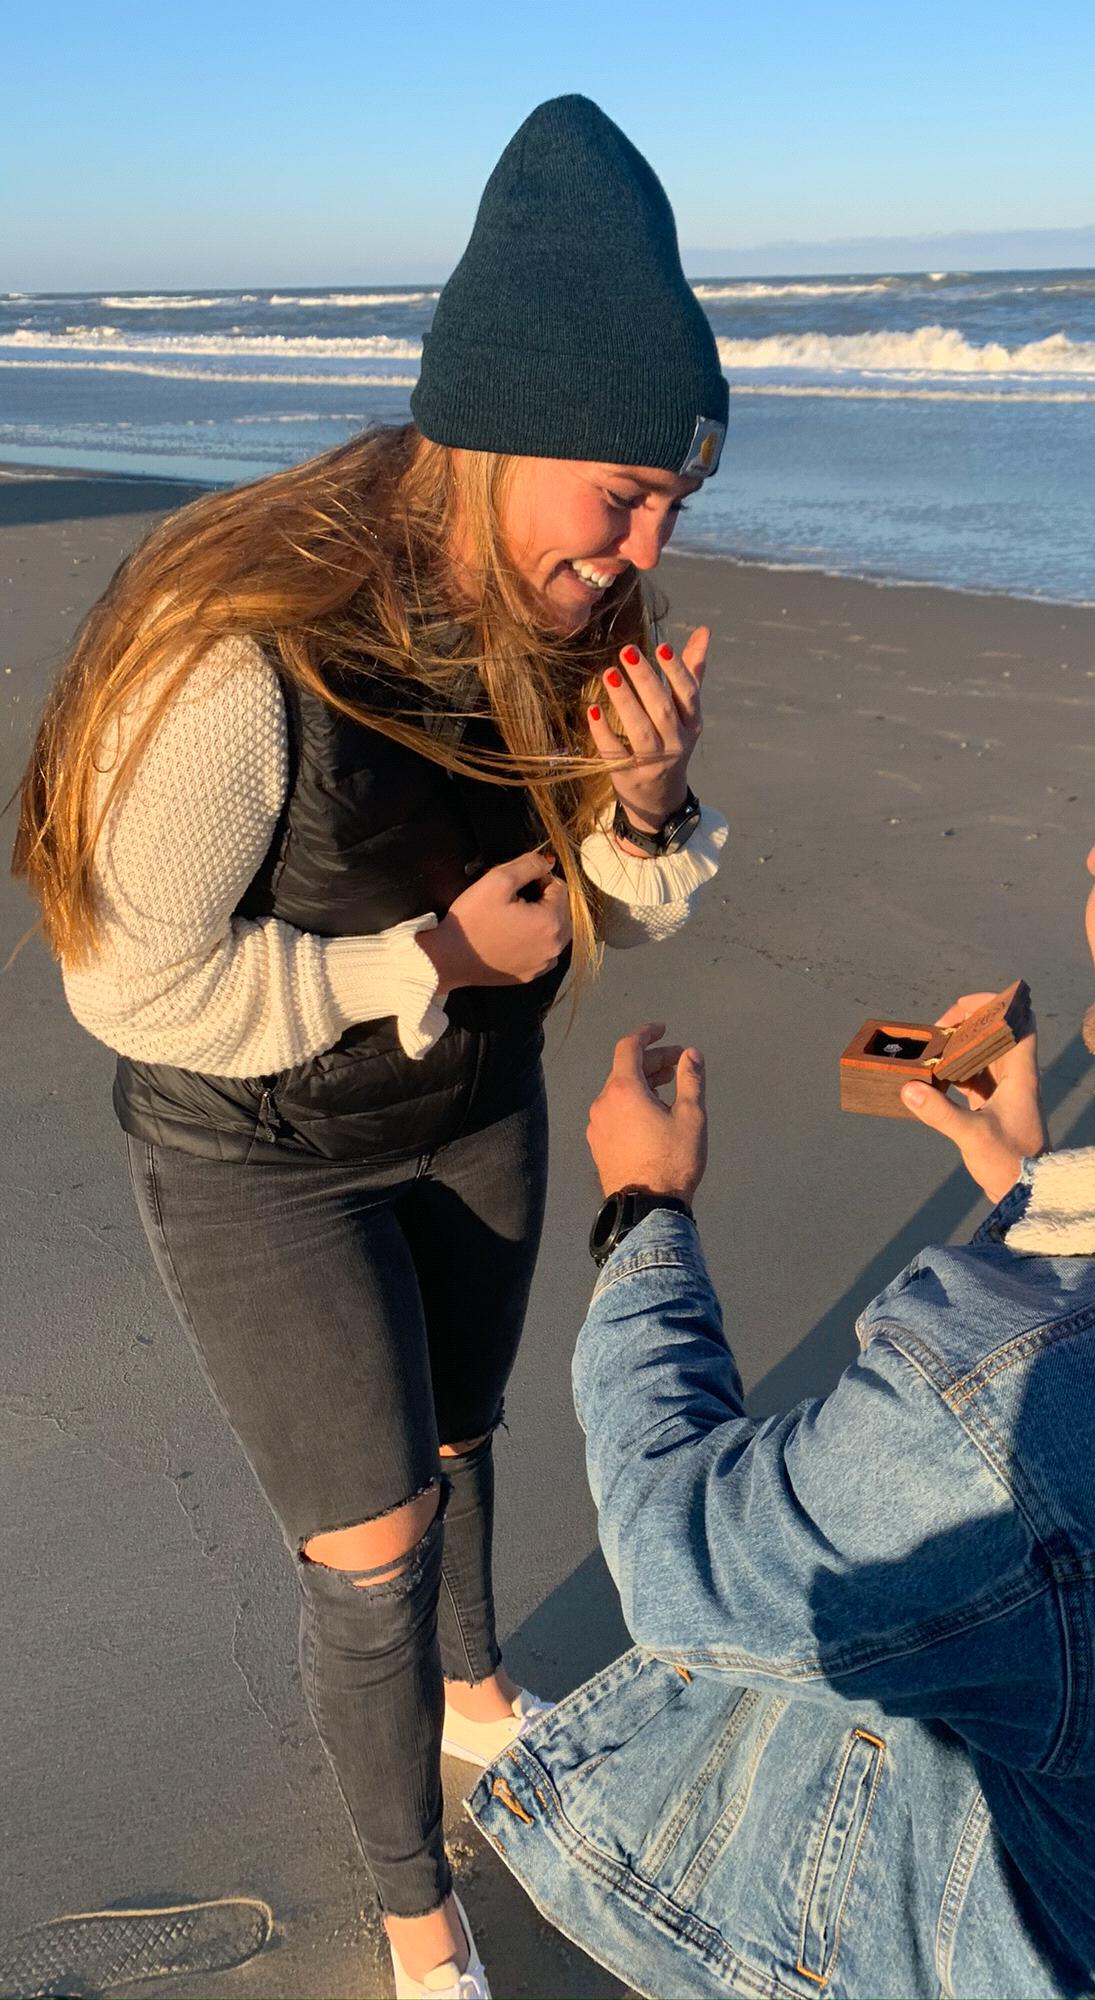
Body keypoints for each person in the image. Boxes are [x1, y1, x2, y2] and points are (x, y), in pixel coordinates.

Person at [472, 559, 1095, 2000]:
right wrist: (1033, 1186)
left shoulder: (1021, 1400)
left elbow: (685, 1559)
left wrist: (643, 1212)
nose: (1090, 866)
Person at [12, 96, 730, 2000]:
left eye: (675, 504)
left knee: (465, 1432)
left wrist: (646, 807)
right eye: (621, 495)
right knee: (374, 1544)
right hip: (257, 1154)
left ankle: (479, 1700)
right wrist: (426, 954)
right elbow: (126, 985)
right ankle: (419, 1917)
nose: (645, 546)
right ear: (491, 429)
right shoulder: (235, 642)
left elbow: (602, 898)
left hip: (471, 1108)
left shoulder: (573, 605)